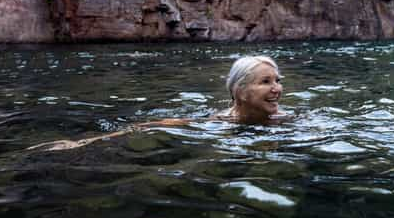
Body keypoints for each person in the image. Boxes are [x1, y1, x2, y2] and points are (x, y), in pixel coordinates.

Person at [28, 55, 284, 151]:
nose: (277, 89)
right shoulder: (219, 122)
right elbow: (151, 125)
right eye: (265, 82)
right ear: (240, 91)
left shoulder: (285, 118)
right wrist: (85, 141)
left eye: (277, 80)